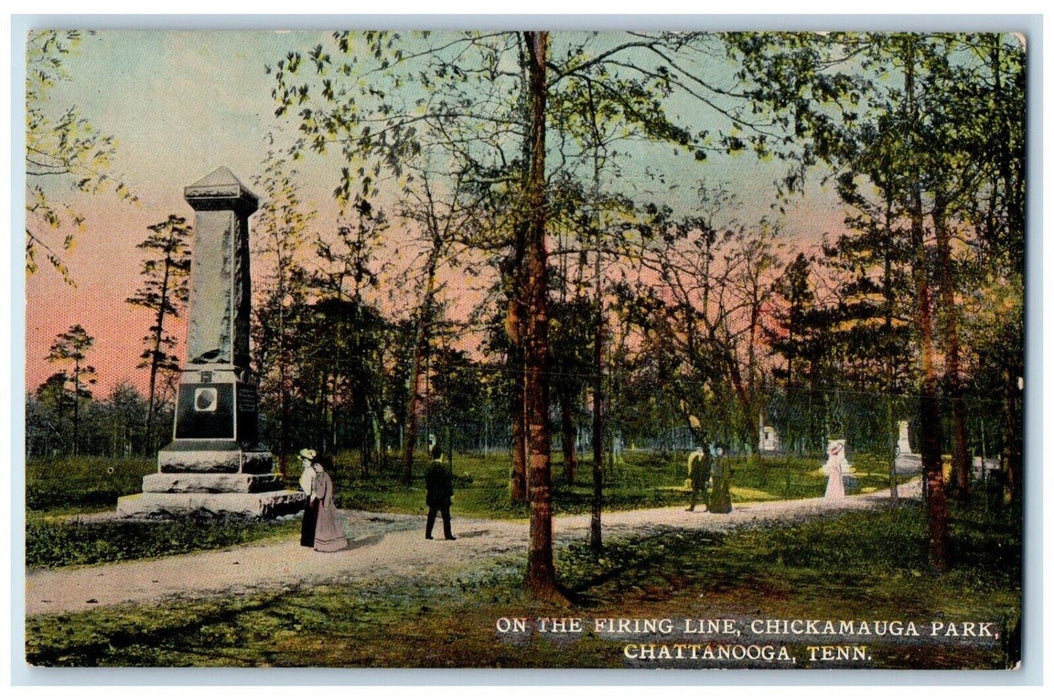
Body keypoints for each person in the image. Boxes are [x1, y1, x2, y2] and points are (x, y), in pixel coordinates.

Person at [311, 454, 348, 552]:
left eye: (318, 466)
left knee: (329, 523)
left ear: (322, 466)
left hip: (326, 504)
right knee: (321, 525)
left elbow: (328, 491)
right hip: (320, 504)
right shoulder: (317, 477)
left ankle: (331, 544)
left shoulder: (326, 477)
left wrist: (326, 504)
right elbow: (315, 489)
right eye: (315, 467)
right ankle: (320, 544)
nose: (316, 468)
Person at [425, 444, 456, 540]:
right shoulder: (444, 468)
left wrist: (428, 491)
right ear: (441, 455)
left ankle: (428, 534)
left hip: (433, 495)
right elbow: (447, 483)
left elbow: (427, 482)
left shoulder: (429, 467)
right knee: (446, 516)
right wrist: (451, 494)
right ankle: (448, 534)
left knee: (431, 515)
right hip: (443, 496)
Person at [298, 448, 319, 547]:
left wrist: (312, 498)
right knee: (307, 519)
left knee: (311, 518)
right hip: (308, 496)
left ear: (310, 462)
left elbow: (315, 487)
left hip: (312, 498)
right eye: (303, 460)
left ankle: (311, 540)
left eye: (305, 460)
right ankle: (306, 540)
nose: (303, 462)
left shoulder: (312, 472)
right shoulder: (306, 471)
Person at [686, 445, 712, 512]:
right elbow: (693, 468)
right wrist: (691, 477)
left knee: (704, 493)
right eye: (698, 450)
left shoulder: (707, 459)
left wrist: (706, 479)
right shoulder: (696, 458)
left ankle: (708, 507)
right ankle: (692, 507)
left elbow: (708, 470)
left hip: (702, 479)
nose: (699, 451)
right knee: (695, 493)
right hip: (697, 478)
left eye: (701, 450)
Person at [707, 445, 732, 514]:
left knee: (723, 493)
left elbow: (726, 471)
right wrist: (711, 477)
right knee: (715, 493)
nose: (718, 452)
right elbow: (712, 470)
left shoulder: (724, 460)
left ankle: (724, 509)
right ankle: (715, 508)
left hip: (722, 478)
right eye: (717, 450)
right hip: (715, 479)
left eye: (720, 450)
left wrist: (725, 479)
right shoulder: (715, 460)